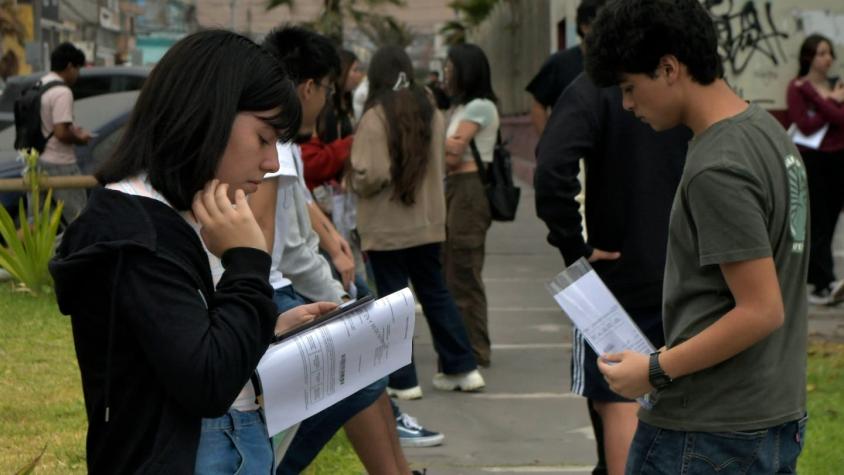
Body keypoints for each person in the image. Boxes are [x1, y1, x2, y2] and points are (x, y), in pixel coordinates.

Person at [48, 30, 333, 473]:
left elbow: (185, 342)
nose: (273, 162)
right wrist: (248, 262)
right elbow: (207, 381)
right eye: (263, 138)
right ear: (209, 117)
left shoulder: (188, 213)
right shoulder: (135, 235)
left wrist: (267, 330)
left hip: (229, 441)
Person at [586, 1, 810, 472]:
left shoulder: (717, 165)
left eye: (630, 87)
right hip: (768, 415)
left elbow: (761, 310)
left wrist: (652, 370)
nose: (627, 105)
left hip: (710, 431)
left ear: (669, 67)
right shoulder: (766, 132)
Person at [257, 26, 428, 473]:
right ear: (309, 87)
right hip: (270, 294)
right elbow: (289, 252)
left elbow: (297, 219)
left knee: (366, 370)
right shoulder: (275, 142)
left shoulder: (275, 138)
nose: (329, 101)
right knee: (357, 373)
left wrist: (331, 241)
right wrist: (343, 301)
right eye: (329, 90)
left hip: (275, 288)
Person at [535, 70, 689, 474]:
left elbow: (551, 169)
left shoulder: (596, 85)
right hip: (689, 277)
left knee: (620, 400)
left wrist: (574, 248)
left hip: (616, 279)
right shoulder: (687, 80)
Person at [351, 45, 485, 399]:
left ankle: (403, 380)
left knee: (394, 303)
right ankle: (463, 368)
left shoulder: (375, 117)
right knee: (437, 294)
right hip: (428, 223)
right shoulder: (432, 112)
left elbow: (370, 173)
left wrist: (353, 178)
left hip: (386, 228)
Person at [442, 43, 499, 369]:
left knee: (465, 271)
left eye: (451, 67)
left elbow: (453, 152)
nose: (447, 73)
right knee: (452, 270)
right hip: (455, 189)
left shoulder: (481, 106)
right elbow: (449, 149)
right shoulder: (461, 108)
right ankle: (463, 347)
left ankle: (477, 350)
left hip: (469, 191)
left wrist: (445, 144)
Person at [786, 33, 844, 306]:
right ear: (809, 56)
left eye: (829, 52)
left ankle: (824, 280)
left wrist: (826, 100)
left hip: (838, 159)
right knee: (817, 221)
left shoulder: (837, 84)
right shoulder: (798, 87)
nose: (827, 58)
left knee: (830, 222)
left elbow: (839, 119)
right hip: (813, 160)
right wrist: (831, 99)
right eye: (821, 52)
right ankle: (823, 282)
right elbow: (805, 125)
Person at [525, 0, 603, 135]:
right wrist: (549, 146)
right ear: (585, 27)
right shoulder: (559, 63)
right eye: (603, 24)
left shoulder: (619, 63)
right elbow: (538, 107)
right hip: (573, 146)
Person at [38, 42, 92, 225]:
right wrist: (80, 138)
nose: (77, 75)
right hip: (61, 163)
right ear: (69, 66)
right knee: (79, 220)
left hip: (37, 161)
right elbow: (60, 133)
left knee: (41, 222)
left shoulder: (40, 84)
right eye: (77, 69)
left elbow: (49, 125)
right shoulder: (62, 92)